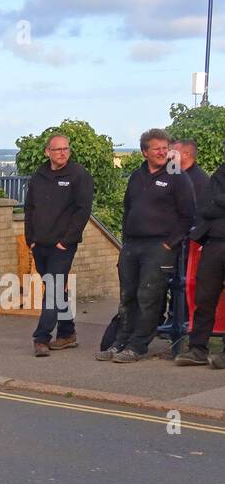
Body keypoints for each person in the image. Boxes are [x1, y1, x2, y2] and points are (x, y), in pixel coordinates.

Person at [97, 128, 196, 363]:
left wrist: (169, 245)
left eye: (165, 148)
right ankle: (120, 342)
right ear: (144, 152)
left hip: (159, 246)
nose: (162, 152)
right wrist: (126, 241)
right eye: (157, 148)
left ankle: (138, 345)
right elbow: (128, 209)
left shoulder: (177, 176)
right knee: (127, 296)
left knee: (148, 296)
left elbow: (188, 215)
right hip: (132, 244)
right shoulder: (137, 175)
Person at [24, 133, 94, 356]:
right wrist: (31, 240)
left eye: (66, 149)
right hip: (40, 244)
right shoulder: (39, 176)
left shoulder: (78, 175)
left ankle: (41, 337)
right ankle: (67, 332)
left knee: (53, 289)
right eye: (57, 149)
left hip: (62, 245)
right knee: (55, 289)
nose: (62, 152)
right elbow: (30, 208)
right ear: (48, 152)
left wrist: (67, 241)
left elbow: (83, 210)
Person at [177, 152, 225, 367]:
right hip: (214, 243)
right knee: (204, 298)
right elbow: (205, 206)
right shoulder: (220, 173)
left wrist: (219, 202)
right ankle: (197, 348)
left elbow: (214, 203)